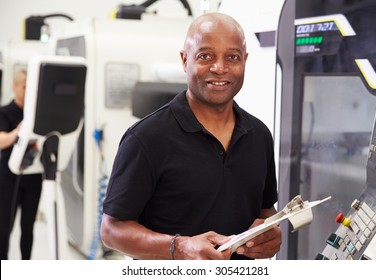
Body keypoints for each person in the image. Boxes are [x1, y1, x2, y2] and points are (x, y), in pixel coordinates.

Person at [101, 12, 281, 260]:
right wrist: (180, 247)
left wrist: (270, 232)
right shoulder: (146, 138)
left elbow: (265, 210)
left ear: (245, 61)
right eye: (205, 56)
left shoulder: (259, 135)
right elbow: (111, 230)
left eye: (232, 57)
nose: (220, 68)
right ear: (185, 60)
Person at [0, 69, 42, 260]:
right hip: (9, 176)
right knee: (5, 226)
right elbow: (3, 140)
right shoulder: (5, 113)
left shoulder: (37, 114)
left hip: (33, 176)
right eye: (25, 86)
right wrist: (19, 130)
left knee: (28, 226)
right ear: (15, 87)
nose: (28, 90)